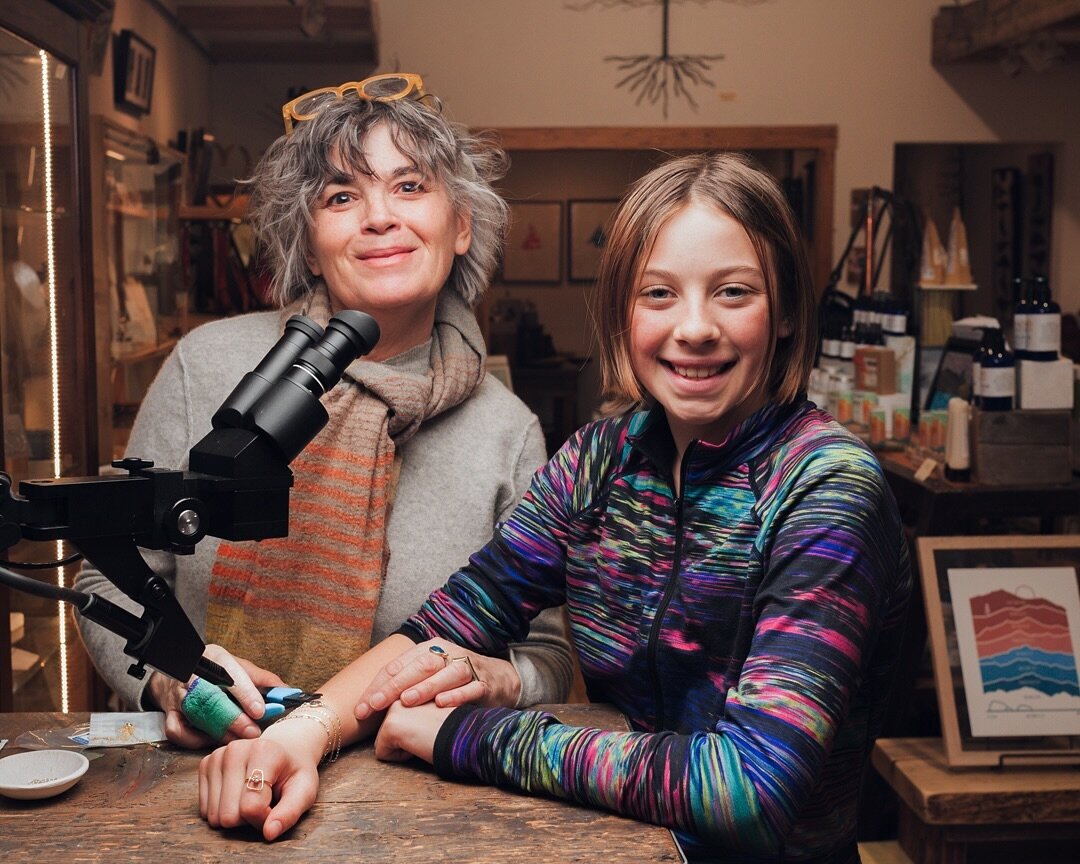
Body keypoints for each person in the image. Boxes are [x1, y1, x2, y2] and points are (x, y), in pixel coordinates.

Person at [198, 152, 911, 862]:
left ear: (785, 312)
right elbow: (449, 622)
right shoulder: (598, 461)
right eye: (658, 294)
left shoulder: (828, 490)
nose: (694, 328)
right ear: (622, 313)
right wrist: (303, 734)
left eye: (732, 293)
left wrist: (463, 736)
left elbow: (750, 790)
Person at [74, 73, 574, 749]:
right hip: (202, 766)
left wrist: (502, 680)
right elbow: (108, 573)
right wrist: (166, 677)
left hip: (410, 784)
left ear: (460, 226)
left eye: (410, 185)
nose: (378, 217)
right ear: (308, 242)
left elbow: (548, 654)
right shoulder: (209, 365)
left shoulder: (506, 431)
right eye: (342, 195)